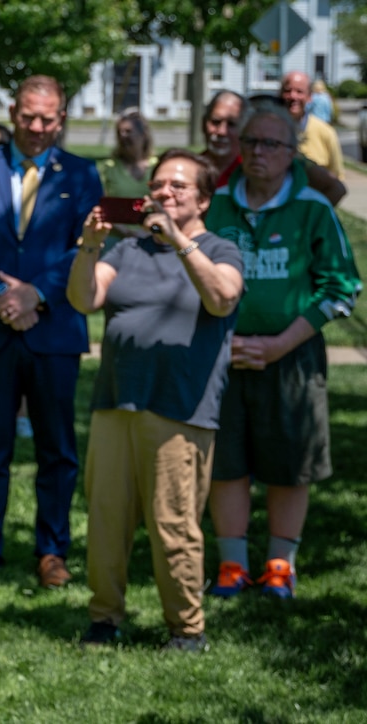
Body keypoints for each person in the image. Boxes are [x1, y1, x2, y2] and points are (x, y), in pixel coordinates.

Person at [67, 149, 244, 651]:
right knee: (105, 518)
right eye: (158, 185)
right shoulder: (127, 251)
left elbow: (222, 298)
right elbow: (84, 299)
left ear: (203, 199)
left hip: (181, 408)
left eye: (178, 186)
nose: (164, 193)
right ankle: (104, 618)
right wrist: (89, 247)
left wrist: (181, 241)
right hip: (116, 402)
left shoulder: (221, 249)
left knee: (173, 523)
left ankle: (187, 629)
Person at [0, 74, 102, 588]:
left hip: (54, 329)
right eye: (29, 116)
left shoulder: (81, 174)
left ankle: (52, 551)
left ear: (60, 119)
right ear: (12, 112)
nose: (37, 127)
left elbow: (86, 246)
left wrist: (35, 294)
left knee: (58, 449)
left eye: (47, 118)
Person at [205, 99, 361, 600]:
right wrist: (225, 342)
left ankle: (279, 565)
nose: (258, 153)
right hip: (222, 357)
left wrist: (279, 344)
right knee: (225, 461)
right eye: (249, 142)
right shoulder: (218, 204)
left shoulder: (311, 209)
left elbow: (341, 289)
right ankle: (232, 565)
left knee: (290, 461)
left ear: (294, 151)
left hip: (291, 358)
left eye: (271, 143)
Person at [203, 89, 345, 206]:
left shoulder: (273, 160)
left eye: (232, 124)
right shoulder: (193, 166)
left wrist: (301, 223)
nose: (221, 131)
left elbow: (335, 188)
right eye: (215, 122)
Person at [281, 71, 344, 180]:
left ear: (309, 96)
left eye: (299, 91)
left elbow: (337, 177)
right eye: (288, 91)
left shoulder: (325, 132)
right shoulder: (265, 130)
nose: (293, 96)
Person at [97, 109, 157, 198]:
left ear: (143, 134)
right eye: (119, 132)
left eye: (128, 131)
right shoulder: (108, 168)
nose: (123, 136)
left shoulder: (158, 166)